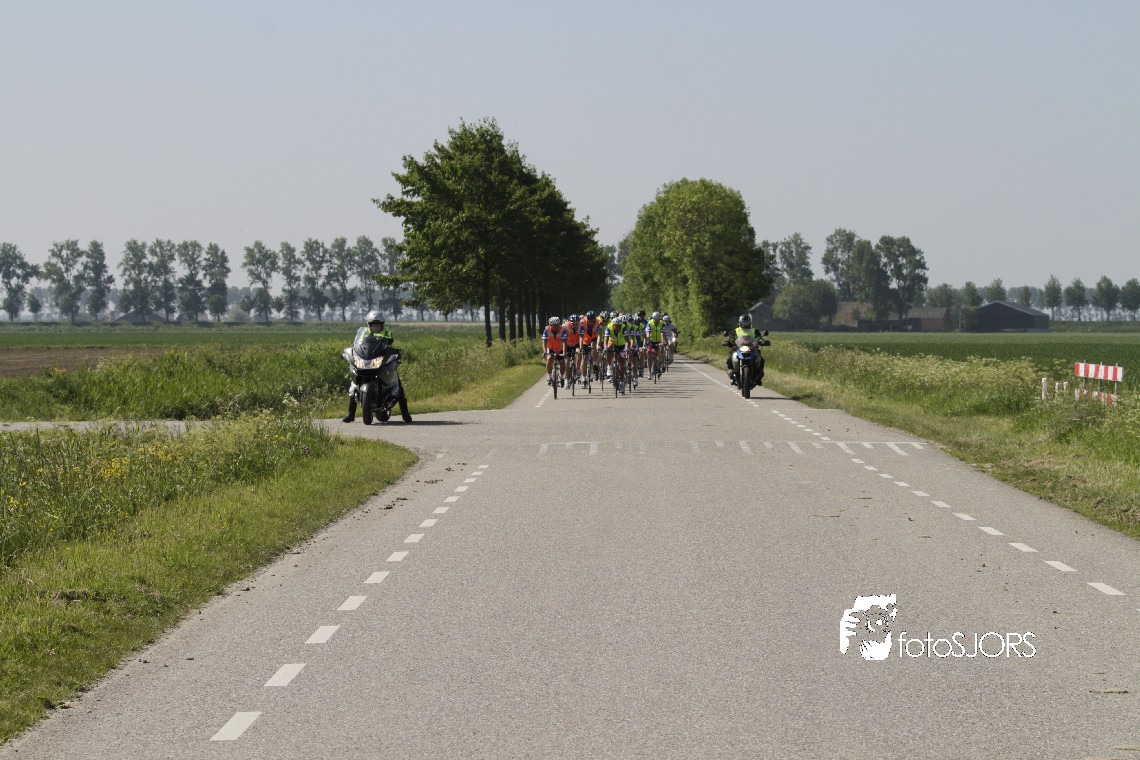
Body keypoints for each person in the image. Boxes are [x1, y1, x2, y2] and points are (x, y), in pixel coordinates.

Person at [343, 310, 397, 423]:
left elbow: (389, 340)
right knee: (354, 385)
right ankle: (350, 414)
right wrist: (355, 351)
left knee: (394, 378)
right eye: (373, 325)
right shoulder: (364, 331)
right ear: (369, 324)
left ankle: (403, 411)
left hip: (379, 355)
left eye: (378, 324)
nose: (375, 327)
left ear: (382, 324)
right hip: (366, 356)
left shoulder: (387, 331)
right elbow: (359, 342)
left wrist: (385, 344)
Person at [726, 313, 765, 386]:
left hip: (752, 348)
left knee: (761, 359)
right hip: (738, 348)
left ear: (750, 322)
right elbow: (732, 338)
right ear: (740, 322)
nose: (745, 324)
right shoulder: (736, 330)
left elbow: (758, 337)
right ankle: (731, 373)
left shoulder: (754, 330)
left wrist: (762, 341)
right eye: (744, 322)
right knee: (730, 358)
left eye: (747, 322)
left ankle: (759, 376)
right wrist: (729, 342)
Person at [542, 316, 569, 386]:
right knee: (549, 359)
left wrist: (564, 352)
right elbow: (544, 342)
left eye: (557, 324)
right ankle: (549, 376)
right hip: (551, 348)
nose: (556, 326)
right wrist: (545, 351)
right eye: (554, 325)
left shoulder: (563, 330)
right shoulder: (547, 330)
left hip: (560, 349)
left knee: (562, 362)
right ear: (550, 325)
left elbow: (564, 342)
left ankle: (562, 377)